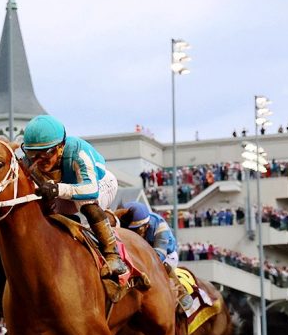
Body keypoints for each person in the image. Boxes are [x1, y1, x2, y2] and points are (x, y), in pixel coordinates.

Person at [21, 115, 128, 298]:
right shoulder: (29, 160)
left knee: (84, 203)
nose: (39, 160)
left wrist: (56, 189)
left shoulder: (78, 151)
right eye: (33, 153)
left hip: (100, 185)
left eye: (46, 153)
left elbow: (90, 189)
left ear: (61, 147)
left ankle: (112, 254)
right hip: (67, 192)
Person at [119, 201, 189, 308]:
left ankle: (181, 291)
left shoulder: (160, 225)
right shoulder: (128, 225)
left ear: (146, 226)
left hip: (167, 256)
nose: (131, 233)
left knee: (162, 264)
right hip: (142, 254)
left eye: (135, 230)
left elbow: (159, 255)